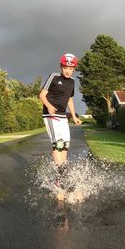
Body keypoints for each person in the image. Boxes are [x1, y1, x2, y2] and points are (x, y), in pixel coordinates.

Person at [39, 53, 82, 186]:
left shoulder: (73, 82)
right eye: (65, 67)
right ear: (61, 67)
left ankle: (61, 176)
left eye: (71, 68)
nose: (68, 70)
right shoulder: (54, 77)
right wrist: (49, 106)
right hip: (50, 115)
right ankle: (61, 175)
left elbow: (70, 99)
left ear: (74, 69)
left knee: (65, 146)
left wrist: (74, 116)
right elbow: (42, 95)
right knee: (57, 144)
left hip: (63, 116)